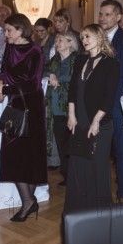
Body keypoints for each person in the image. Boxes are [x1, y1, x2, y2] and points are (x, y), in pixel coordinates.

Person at [0, 13, 47, 222]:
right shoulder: (10, 48)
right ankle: (29, 200)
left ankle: (27, 202)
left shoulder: (36, 51)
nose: (5, 34)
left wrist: (4, 88)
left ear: (21, 30)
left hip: (31, 106)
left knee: (30, 154)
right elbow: (5, 71)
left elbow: (33, 84)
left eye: (9, 30)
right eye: (5, 30)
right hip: (14, 104)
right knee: (12, 153)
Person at [65, 24, 119, 212]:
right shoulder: (80, 60)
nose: (84, 41)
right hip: (79, 120)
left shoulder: (110, 63)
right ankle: (79, 208)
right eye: (82, 38)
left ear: (99, 37)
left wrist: (96, 120)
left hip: (100, 123)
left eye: (88, 36)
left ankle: (102, 211)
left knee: (98, 167)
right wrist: (71, 115)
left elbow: (109, 96)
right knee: (78, 164)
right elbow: (72, 89)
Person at [98, 0, 123, 202]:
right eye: (101, 14)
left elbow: (120, 70)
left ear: (118, 17)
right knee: (99, 150)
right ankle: (101, 194)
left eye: (108, 14)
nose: (103, 18)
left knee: (121, 150)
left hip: (118, 102)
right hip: (97, 101)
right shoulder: (94, 37)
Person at [44, 31, 79, 187]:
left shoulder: (77, 59)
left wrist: (58, 78)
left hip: (71, 108)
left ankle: (75, 176)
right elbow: (43, 69)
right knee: (61, 144)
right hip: (55, 109)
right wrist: (51, 74)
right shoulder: (55, 60)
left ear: (70, 43)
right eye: (56, 41)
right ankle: (66, 175)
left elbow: (75, 77)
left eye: (60, 40)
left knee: (72, 144)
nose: (56, 43)